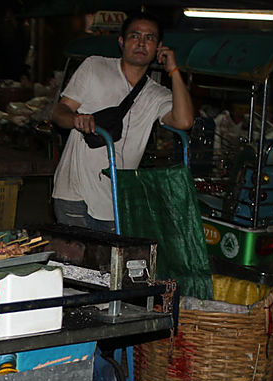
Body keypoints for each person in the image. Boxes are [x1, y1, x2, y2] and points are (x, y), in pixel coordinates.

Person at [51, 13, 194, 232]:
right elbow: (59, 112)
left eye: (149, 38)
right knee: (77, 265)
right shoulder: (95, 67)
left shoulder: (157, 94)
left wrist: (174, 71)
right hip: (75, 193)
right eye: (134, 36)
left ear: (159, 47)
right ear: (121, 41)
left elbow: (184, 121)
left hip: (116, 201)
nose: (141, 43)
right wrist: (75, 119)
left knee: (107, 265)